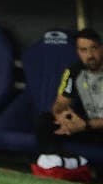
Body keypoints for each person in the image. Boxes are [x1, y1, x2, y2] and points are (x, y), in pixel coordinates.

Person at [35, 28, 103, 168]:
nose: (90, 55)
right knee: (45, 120)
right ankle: (57, 163)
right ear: (78, 52)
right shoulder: (74, 71)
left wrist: (85, 125)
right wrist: (62, 116)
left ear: (101, 48)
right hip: (86, 125)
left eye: (94, 48)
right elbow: (60, 103)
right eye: (83, 50)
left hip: (93, 125)